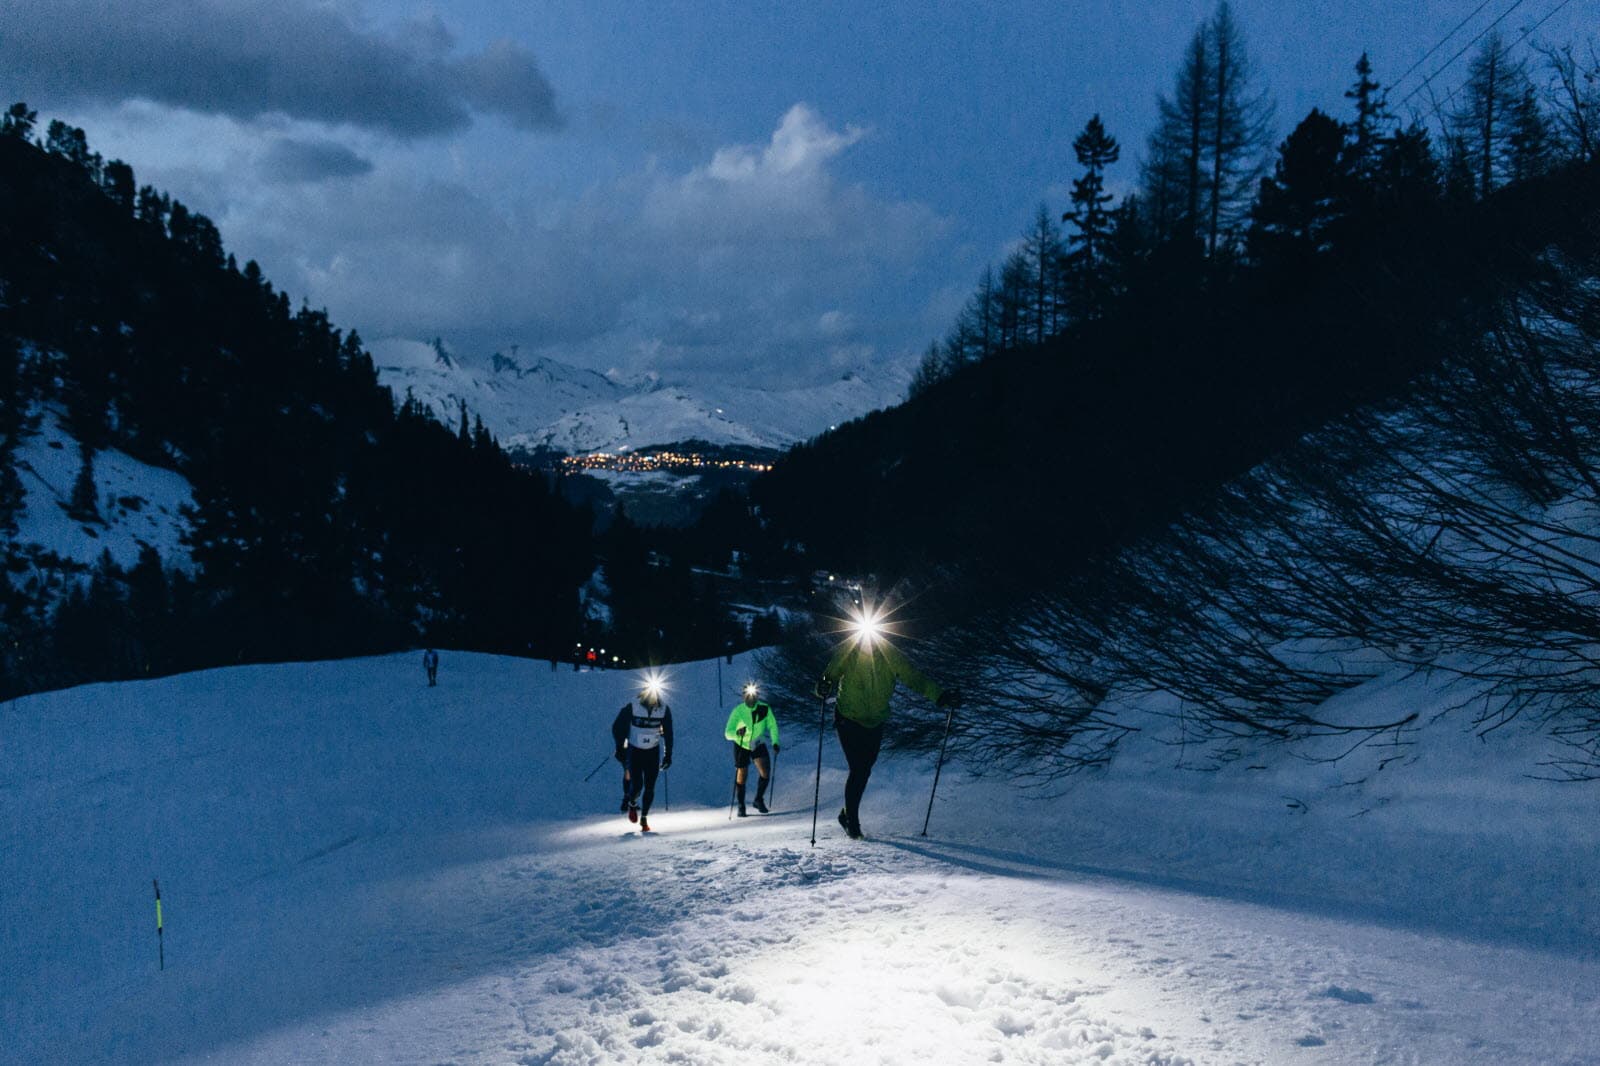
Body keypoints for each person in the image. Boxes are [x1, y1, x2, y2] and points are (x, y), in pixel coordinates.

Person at [816, 629, 960, 840]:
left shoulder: (891, 655)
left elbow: (914, 678)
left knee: (864, 770)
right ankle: (852, 824)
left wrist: (940, 696)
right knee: (859, 768)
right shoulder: (849, 650)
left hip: (876, 721)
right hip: (848, 717)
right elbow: (828, 676)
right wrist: (822, 687)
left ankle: (847, 813)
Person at [611, 685, 674, 832]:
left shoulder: (664, 709)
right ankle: (632, 802)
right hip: (635, 751)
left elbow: (669, 733)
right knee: (638, 785)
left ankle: (644, 818)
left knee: (650, 786)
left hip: (652, 752)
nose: (653, 699)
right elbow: (617, 726)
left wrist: (668, 755)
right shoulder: (633, 706)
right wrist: (620, 747)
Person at [724, 684, 780, 816]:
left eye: (753, 695)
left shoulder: (764, 708)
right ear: (743, 696)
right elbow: (727, 733)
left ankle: (758, 800)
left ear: (757, 696)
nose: (751, 698)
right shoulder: (738, 711)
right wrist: (738, 732)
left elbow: (772, 726)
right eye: (747, 695)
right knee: (742, 774)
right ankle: (741, 805)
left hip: (757, 742)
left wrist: (775, 742)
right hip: (741, 743)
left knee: (765, 771)